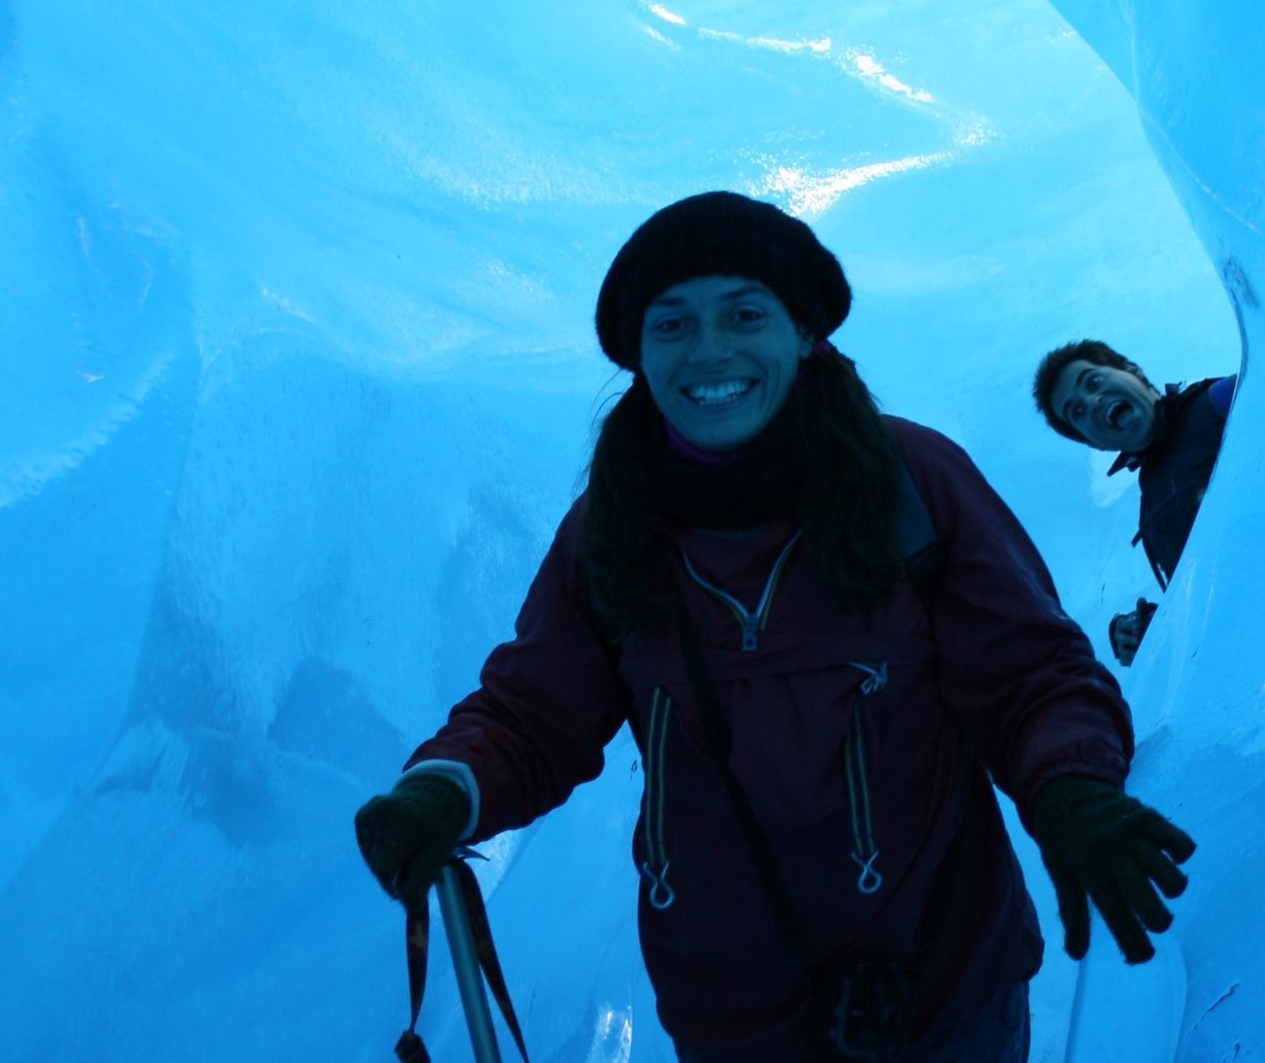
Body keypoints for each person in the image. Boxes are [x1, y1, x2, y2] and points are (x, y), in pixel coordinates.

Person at [355, 193, 1196, 1062]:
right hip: (734, 1014)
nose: (709, 350)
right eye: (672, 324)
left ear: (805, 333)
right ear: (639, 356)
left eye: (745, 314)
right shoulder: (614, 529)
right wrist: (446, 788)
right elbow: (535, 711)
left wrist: (1070, 788)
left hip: (948, 986)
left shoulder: (910, 482)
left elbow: (1028, 672)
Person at [1032, 340, 1236, 666]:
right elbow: (1207, 601)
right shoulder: (1151, 509)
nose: (1092, 401)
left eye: (1093, 381)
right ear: (1093, 442)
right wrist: (1151, 629)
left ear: (1133, 371)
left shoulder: (1218, 402)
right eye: (1078, 412)